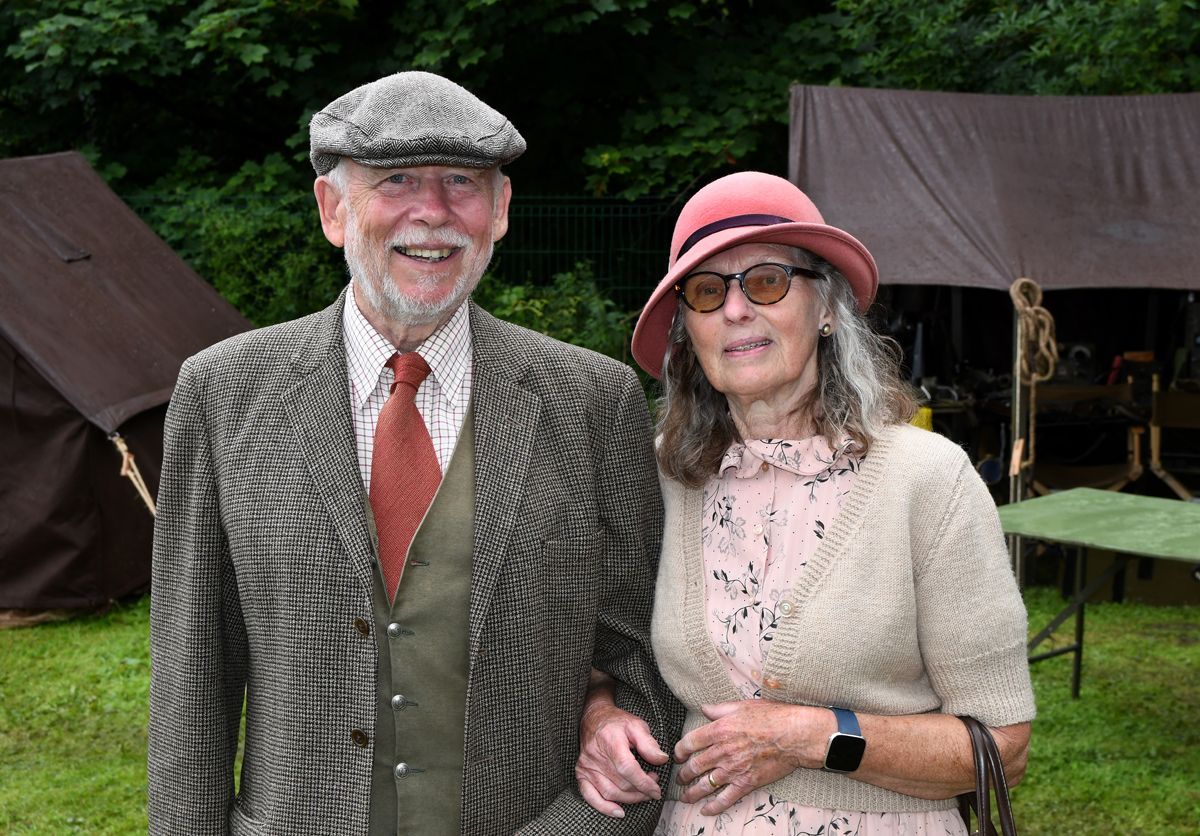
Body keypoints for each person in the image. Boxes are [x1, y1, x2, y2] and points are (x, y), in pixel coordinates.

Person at [148, 70, 681, 836]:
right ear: (334, 210)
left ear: (499, 211)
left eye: (462, 182)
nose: (432, 213)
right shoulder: (222, 394)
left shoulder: (593, 401)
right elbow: (190, 688)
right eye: (395, 181)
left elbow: (648, 667)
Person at [574, 171, 1036, 834]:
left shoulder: (926, 479)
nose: (735, 310)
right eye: (707, 291)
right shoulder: (655, 478)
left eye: (766, 281)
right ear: (688, 332)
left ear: (826, 309)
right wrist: (600, 716)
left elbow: (1003, 747)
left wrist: (811, 737)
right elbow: (595, 655)